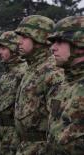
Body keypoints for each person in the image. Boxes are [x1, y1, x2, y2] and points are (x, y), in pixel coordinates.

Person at [13, 15, 65, 155]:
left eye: (24, 37)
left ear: (39, 38)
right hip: (26, 147)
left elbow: (58, 126)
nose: (19, 42)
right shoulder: (32, 68)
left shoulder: (52, 71)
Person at [46, 16, 84, 155]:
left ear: (79, 44)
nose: (53, 48)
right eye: (53, 42)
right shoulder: (64, 84)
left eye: (60, 41)